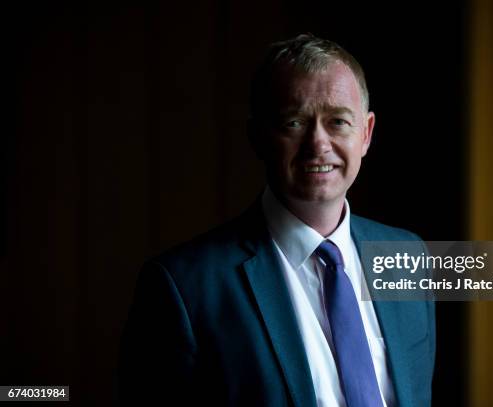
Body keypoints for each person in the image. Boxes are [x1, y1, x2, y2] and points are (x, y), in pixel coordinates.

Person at [117, 33, 435, 406]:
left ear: (365, 134)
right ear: (258, 137)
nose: (318, 143)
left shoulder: (409, 257)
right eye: (294, 123)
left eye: (337, 121)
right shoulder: (184, 287)